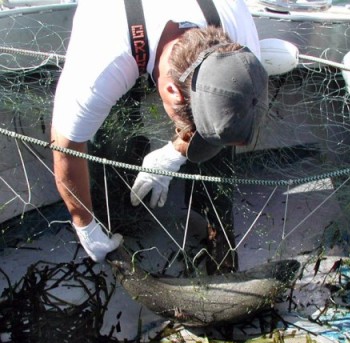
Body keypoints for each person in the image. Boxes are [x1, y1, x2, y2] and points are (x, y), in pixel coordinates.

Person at [51, 0, 269, 270]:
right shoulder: (102, 63)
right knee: (114, 135)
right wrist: (84, 225)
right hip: (125, 28)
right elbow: (66, 149)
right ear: (171, 92)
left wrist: (173, 153)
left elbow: (231, 116)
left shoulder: (240, 45)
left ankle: (217, 228)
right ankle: (119, 222)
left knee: (222, 124)